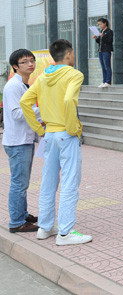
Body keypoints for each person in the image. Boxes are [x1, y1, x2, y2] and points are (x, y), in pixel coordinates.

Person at [20, 39, 92, 245]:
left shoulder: (43, 77)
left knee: (48, 182)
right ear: (68, 54)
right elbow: (69, 100)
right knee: (70, 182)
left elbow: (24, 101)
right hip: (66, 134)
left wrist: (39, 129)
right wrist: (72, 128)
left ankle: (45, 227)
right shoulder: (74, 74)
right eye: (73, 53)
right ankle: (65, 233)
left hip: (49, 135)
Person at [3, 49, 41, 233]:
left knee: (22, 182)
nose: (30, 64)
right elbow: (17, 114)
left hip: (23, 139)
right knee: (19, 183)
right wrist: (43, 110)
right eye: (24, 62)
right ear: (15, 66)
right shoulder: (13, 86)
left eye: (32, 60)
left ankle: (23, 214)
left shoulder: (24, 85)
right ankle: (17, 222)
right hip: (17, 142)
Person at [92, 18, 113, 88]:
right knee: (103, 67)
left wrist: (103, 36)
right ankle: (104, 81)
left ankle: (108, 81)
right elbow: (101, 42)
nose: (100, 25)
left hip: (106, 51)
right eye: (99, 24)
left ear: (105, 23)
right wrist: (97, 38)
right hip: (100, 51)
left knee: (107, 66)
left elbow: (110, 41)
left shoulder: (109, 31)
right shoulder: (101, 31)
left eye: (101, 24)